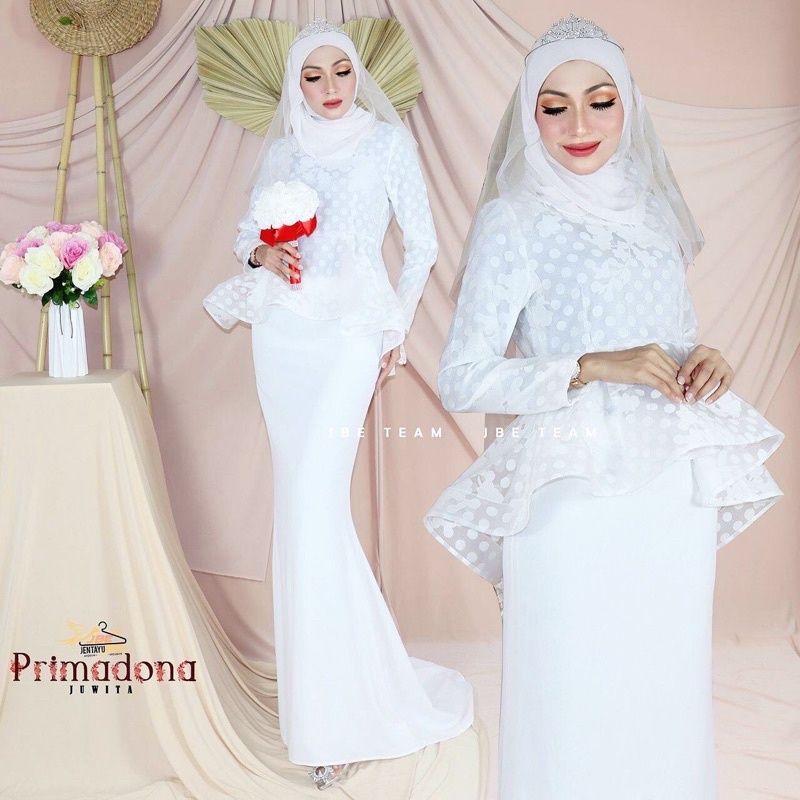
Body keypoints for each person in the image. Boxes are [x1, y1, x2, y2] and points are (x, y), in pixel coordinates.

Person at [423, 15, 784, 800]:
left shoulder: (654, 212)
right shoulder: (514, 219)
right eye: (554, 107)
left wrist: (706, 359)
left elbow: (671, 339)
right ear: (530, 115)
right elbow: (464, 377)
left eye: (601, 101)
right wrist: (590, 367)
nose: (579, 125)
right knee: (570, 680)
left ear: (630, 106)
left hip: (670, 489)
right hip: (570, 486)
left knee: (665, 677)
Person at [204, 19, 473, 792]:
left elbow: (422, 245)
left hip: (352, 330)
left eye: (341, 72)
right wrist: (264, 252)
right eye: (313, 76)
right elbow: (245, 236)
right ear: (296, 83)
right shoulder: (285, 148)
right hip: (283, 333)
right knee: (299, 508)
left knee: (314, 504)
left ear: (359, 75)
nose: (328, 88)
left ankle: (344, 713)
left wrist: (394, 327)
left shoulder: (387, 144)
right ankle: (322, 705)